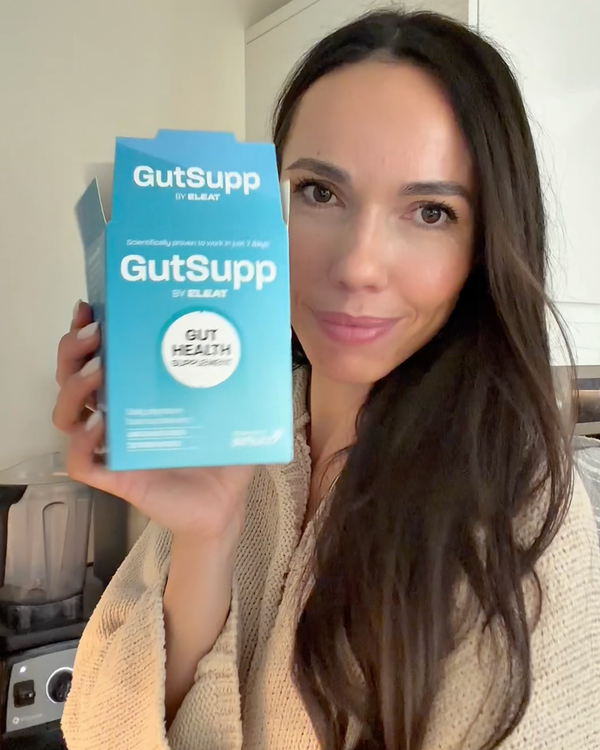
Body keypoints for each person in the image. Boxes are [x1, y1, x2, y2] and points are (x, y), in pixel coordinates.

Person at [52, 10, 600, 750]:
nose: (359, 266)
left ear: (484, 246)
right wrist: (206, 539)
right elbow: (96, 728)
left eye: (430, 211)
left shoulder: (521, 511)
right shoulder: (237, 424)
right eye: (318, 192)